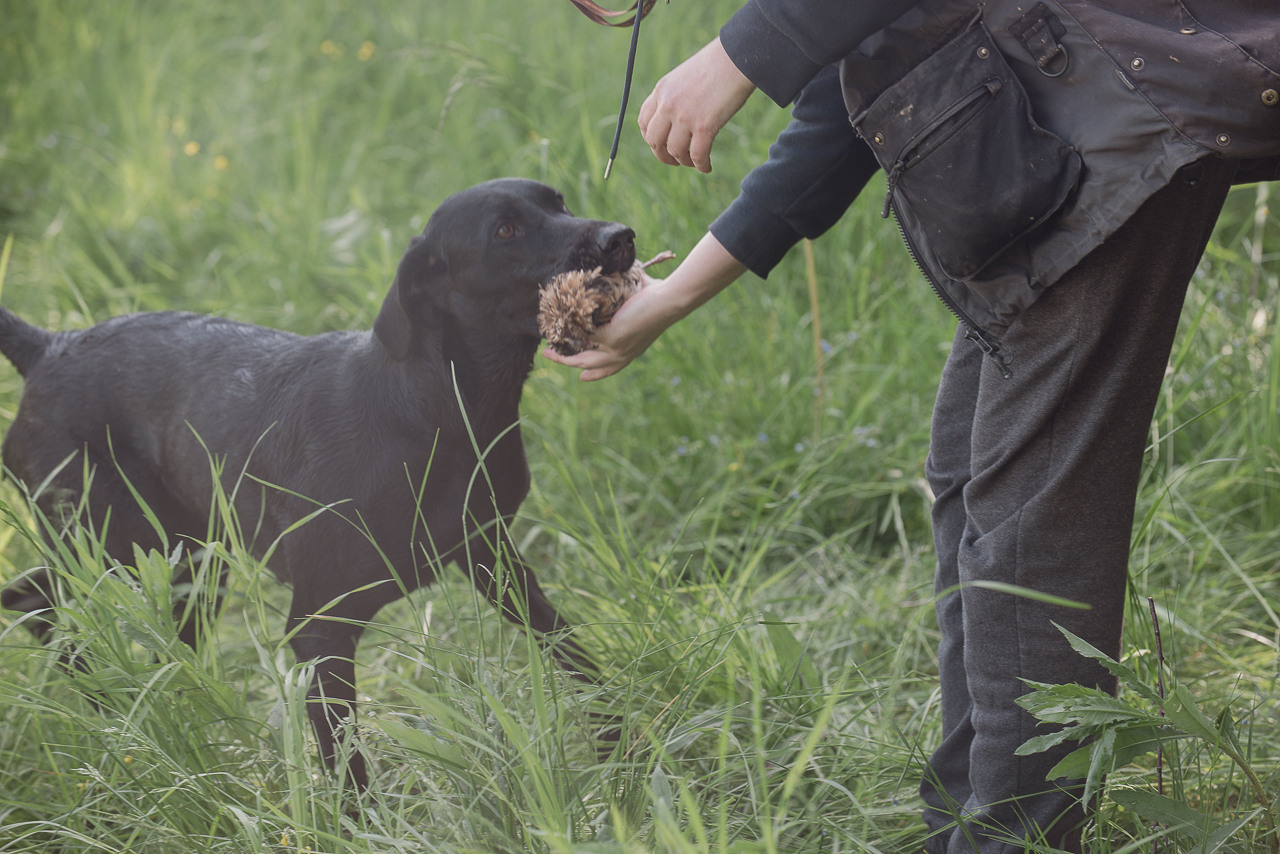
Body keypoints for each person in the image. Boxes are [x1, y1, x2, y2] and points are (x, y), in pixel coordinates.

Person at [549, 2, 1280, 851]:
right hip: (1065, 116)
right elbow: (841, 111)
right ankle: (965, 826)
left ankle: (1013, 841)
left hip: (1116, 109)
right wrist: (670, 299)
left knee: (1027, 536)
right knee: (969, 479)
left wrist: (739, 54)